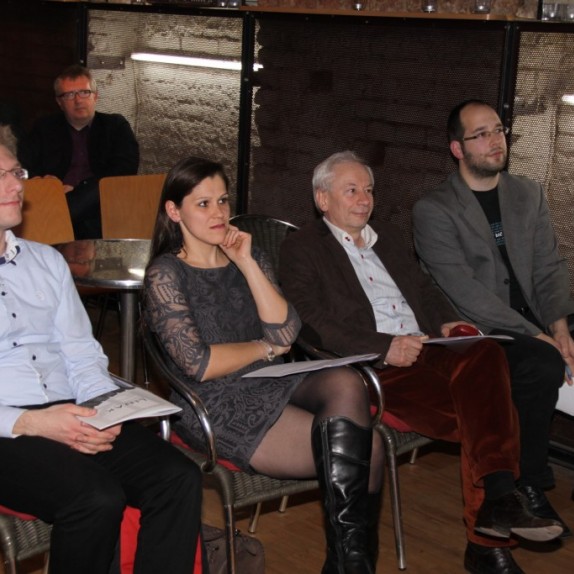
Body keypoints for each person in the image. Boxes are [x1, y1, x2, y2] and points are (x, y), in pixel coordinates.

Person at [279, 150, 564, 574]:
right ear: (323, 199)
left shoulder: (388, 237)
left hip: (431, 345)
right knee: (486, 409)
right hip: (376, 367)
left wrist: (445, 321)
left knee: (486, 352)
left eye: (369, 190)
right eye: (351, 190)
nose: (364, 199)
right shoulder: (302, 247)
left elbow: (424, 290)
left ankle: (498, 505)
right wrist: (384, 346)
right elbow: (310, 322)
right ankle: (490, 535)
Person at [143, 156, 385, 574]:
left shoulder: (245, 253)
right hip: (213, 402)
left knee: (347, 383)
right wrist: (263, 348)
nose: (218, 213)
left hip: (269, 379)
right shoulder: (165, 274)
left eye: (222, 201)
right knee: (372, 449)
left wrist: (247, 263)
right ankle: (351, 566)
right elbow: (199, 363)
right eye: (203, 204)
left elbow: (287, 331)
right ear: (173, 211)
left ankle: (347, 565)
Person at [0, 125, 201, 574]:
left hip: (70, 408)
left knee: (178, 477)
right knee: (95, 498)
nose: (16, 185)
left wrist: (99, 411)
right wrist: (33, 422)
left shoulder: (46, 261)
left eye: (16, 172)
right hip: (7, 427)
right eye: (1, 176)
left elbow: (81, 351)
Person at [412, 99, 573, 538]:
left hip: (535, 316)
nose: (494, 140)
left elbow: (548, 267)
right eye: (480, 134)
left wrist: (559, 326)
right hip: (482, 328)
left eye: (498, 130)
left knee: (553, 348)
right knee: (541, 363)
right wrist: (537, 335)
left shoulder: (528, 193)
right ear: (457, 149)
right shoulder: (434, 210)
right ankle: (530, 483)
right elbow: (464, 293)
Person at [18, 65, 139, 239]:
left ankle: (59, 217)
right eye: (69, 95)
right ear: (59, 102)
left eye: (84, 92)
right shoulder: (44, 128)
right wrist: (47, 185)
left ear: (95, 96)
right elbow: (22, 165)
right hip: (52, 201)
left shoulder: (115, 126)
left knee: (101, 188)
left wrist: (77, 190)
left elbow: (124, 171)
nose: (78, 100)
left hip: (100, 207)